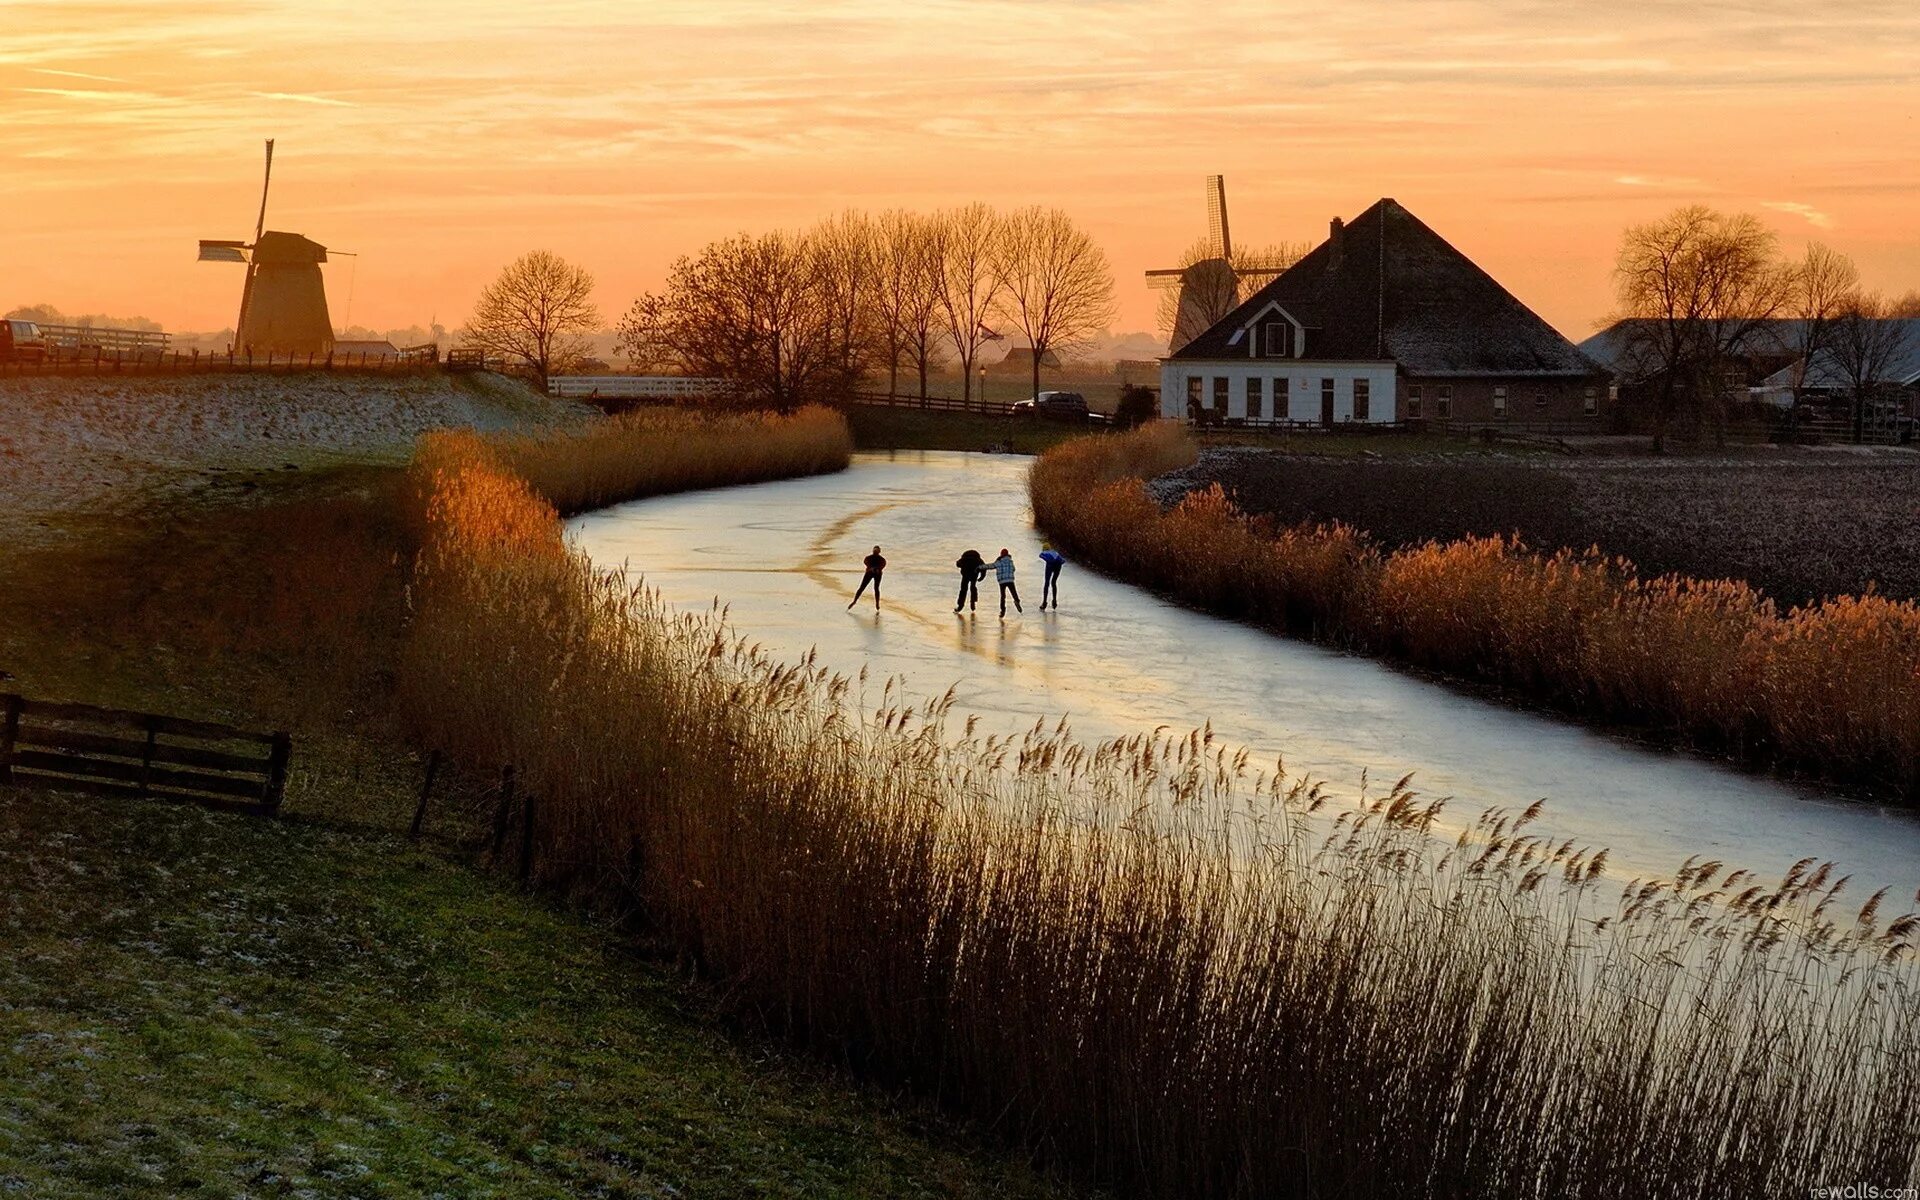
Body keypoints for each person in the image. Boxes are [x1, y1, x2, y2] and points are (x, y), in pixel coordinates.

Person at [847, 545, 886, 610]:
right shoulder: (869, 558)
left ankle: (877, 603)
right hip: (869, 573)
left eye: (876, 551)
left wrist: (877, 569)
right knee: (863, 587)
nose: (875, 552)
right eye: (874, 551)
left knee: (875, 588)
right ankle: (854, 601)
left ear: (879, 552)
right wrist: (872, 568)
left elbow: (882, 565)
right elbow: (866, 562)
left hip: (877, 574)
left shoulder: (881, 559)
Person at [954, 548, 988, 613]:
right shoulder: (978, 560)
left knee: (963, 590)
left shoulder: (964, 559)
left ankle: (960, 606)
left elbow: (958, 564)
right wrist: (982, 577)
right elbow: (984, 568)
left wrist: (963, 565)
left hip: (965, 575)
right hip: (974, 575)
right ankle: (973, 602)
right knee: (973, 588)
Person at [992, 548, 1021, 617]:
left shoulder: (998, 562)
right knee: (1014, 593)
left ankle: (1003, 611)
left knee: (1003, 596)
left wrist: (980, 567)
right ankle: (1017, 601)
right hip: (1010, 580)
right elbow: (1013, 569)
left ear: (1001, 554)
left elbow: (991, 566)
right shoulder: (1010, 561)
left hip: (1002, 581)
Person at [1039, 545, 1065, 610]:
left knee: (1047, 583)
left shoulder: (1044, 552)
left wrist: (1049, 560)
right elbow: (1062, 560)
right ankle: (1054, 601)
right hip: (1058, 565)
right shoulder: (1055, 552)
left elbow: (1041, 555)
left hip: (1050, 565)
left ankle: (1044, 602)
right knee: (1053, 582)